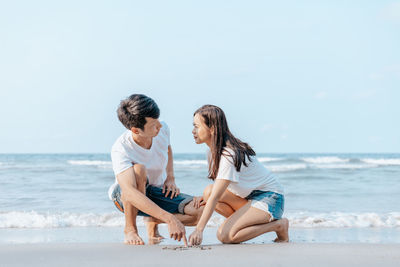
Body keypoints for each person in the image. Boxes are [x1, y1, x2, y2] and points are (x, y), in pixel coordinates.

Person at [108, 94, 203, 245]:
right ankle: (130, 229)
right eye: (153, 124)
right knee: (139, 170)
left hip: (155, 191)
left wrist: (170, 178)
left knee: (200, 211)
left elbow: (167, 149)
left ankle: (153, 219)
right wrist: (170, 218)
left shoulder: (162, 128)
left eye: (157, 120)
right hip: (125, 197)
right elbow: (129, 192)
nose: (159, 126)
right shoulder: (121, 148)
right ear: (136, 130)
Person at [188, 105, 289, 245]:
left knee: (225, 236)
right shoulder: (212, 152)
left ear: (212, 128)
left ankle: (278, 225)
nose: (193, 131)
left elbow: (216, 196)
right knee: (208, 192)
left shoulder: (228, 154)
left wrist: (199, 229)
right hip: (249, 198)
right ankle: (241, 223)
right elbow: (216, 191)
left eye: (197, 126)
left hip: (270, 198)